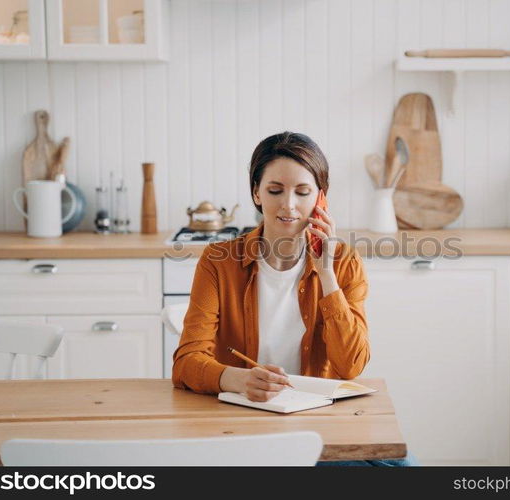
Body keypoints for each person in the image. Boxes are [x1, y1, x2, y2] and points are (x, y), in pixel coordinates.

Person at [172, 131, 416, 466]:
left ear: (321, 198)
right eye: (275, 190)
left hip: (319, 423)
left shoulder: (344, 262)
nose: (288, 205)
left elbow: (351, 366)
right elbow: (186, 363)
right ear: (256, 192)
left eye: (303, 192)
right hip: (241, 421)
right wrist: (239, 380)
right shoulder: (218, 261)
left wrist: (326, 274)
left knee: (401, 466)